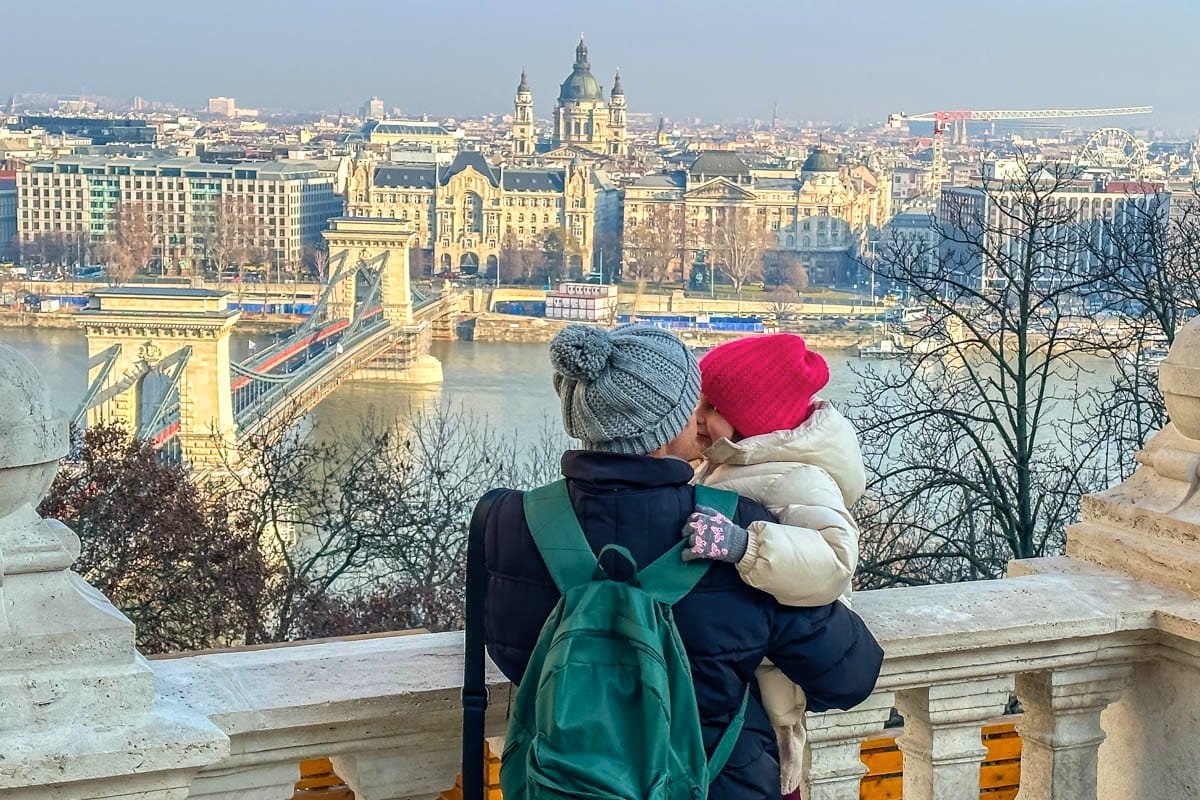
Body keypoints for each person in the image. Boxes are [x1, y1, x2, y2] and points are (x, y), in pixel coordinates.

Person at [481, 324, 883, 800]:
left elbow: (513, 653)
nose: (702, 416)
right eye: (697, 401)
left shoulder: (508, 520)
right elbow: (849, 675)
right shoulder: (729, 525)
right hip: (721, 782)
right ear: (669, 424)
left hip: (570, 780)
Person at [682, 333, 865, 796]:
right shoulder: (732, 463)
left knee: (773, 769)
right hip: (738, 661)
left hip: (770, 675)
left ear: (752, 417)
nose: (698, 419)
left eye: (712, 407)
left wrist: (745, 546)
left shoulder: (799, 478)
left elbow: (836, 558)